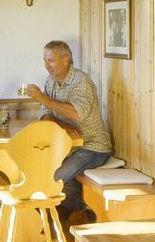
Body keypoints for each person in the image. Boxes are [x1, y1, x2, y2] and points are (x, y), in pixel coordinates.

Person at [25, 40, 112, 223]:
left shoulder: (81, 82)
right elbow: (45, 111)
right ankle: (72, 208)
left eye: (51, 60)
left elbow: (77, 114)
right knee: (35, 171)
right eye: (45, 60)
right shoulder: (51, 80)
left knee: (54, 179)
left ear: (66, 60)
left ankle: (83, 206)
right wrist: (57, 122)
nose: (46, 66)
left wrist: (42, 97)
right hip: (64, 145)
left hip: (92, 147)